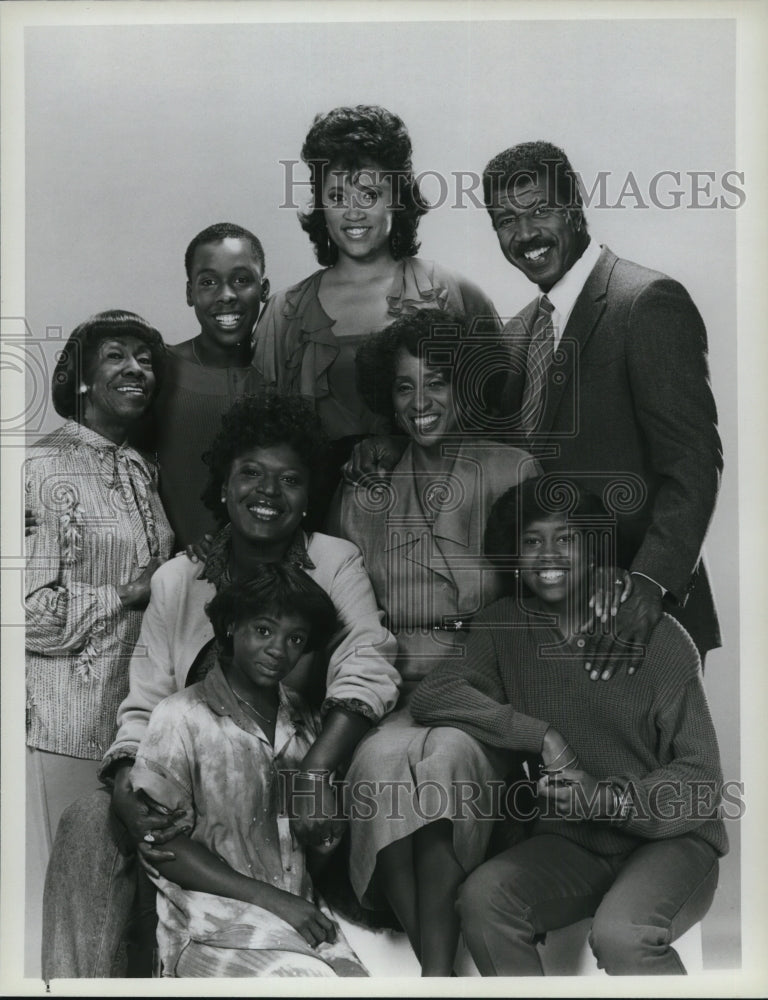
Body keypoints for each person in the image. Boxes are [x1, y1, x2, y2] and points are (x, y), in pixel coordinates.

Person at [41, 392, 399, 979]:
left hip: (284, 783)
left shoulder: (334, 561)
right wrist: (127, 775)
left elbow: (369, 662)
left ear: (309, 495)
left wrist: (316, 772)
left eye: (290, 480)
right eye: (251, 473)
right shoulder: (179, 578)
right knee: (87, 819)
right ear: (225, 486)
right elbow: (147, 698)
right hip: (187, 779)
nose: (268, 491)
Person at [411, 477, 727, 976]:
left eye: (566, 538)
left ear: (593, 549)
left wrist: (609, 800)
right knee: (483, 899)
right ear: (514, 556)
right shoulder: (503, 626)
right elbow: (435, 694)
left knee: (622, 936)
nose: (548, 555)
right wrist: (540, 735)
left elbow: (703, 780)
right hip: (574, 843)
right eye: (531, 541)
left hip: (673, 841)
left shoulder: (654, 634)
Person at [331, 307, 540, 975]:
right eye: (404, 386)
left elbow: (542, 601)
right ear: (386, 399)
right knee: (378, 765)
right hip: (399, 690)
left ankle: (434, 978)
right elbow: (350, 613)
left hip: (484, 686)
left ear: (465, 386)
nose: (420, 402)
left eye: (437, 382)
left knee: (446, 757)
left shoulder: (512, 470)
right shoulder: (365, 490)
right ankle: (440, 977)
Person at [482, 140, 722, 672]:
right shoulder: (516, 334)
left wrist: (650, 585)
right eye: (505, 220)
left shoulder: (646, 302)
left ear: (575, 206)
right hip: (549, 625)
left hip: (641, 620)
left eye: (540, 210)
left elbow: (694, 464)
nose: (525, 234)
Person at [25, 310, 174, 972]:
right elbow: (24, 612)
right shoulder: (39, 468)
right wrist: (126, 592)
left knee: (132, 916)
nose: (136, 368)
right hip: (65, 726)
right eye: (116, 355)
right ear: (80, 378)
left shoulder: (140, 468)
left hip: (134, 724)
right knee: (77, 913)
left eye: (145, 358)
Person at [130, 565, 367, 977]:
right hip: (210, 925)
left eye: (295, 639)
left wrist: (324, 839)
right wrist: (273, 900)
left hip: (300, 919)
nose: (278, 649)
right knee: (302, 982)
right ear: (231, 626)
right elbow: (163, 847)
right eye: (263, 630)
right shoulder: (180, 716)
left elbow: (305, 855)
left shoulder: (307, 723)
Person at [253, 104, 505, 477]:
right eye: (337, 197)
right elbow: (260, 437)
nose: (353, 212)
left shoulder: (453, 293)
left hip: (439, 497)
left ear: (397, 198)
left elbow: (499, 419)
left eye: (369, 194)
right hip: (318, 505)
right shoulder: (284, 312)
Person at [151, 222, 269, 547]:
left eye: (242, 280)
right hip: (173, 568)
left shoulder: (282, 375)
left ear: (264, 289)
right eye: (208, 282)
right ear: (190, 293)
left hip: (264, 566)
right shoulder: (159, 368)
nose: (226, 295)